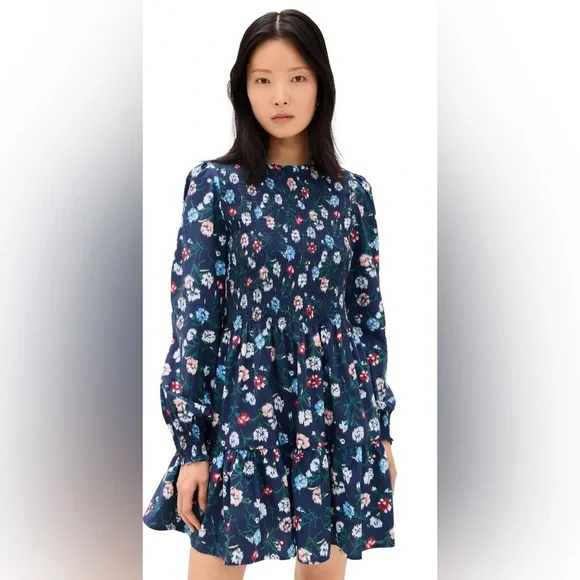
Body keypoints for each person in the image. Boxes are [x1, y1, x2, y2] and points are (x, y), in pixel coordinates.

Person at [143, 9, 397, 580]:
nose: (280, 95)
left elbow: (366, 318)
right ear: (244, 90)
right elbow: (194, 321)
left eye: (297, 77)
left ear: (321, 85)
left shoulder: (352, 195)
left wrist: (379, 430)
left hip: (336, 412)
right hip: (243, 409)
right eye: (263, 79)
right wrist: (193, 446)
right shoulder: (216, 186)